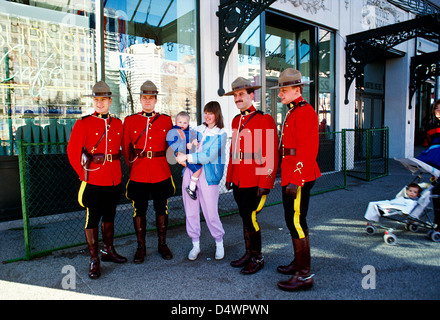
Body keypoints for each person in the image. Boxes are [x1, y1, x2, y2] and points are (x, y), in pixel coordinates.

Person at [67, 81, 127, 279]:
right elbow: (73, 151)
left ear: (110, 101)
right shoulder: (83, 123)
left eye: (103, 100)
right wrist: (83, 174)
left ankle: (107, 250)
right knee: (92, 218)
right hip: (93, 177)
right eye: (96, 100)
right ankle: (94, 259)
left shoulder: (118, 123)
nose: (99, 103)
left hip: (113, 177)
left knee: (110, 215)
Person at [271, 68, 321, 291]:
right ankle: (298, 263)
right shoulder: (294, 110)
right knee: (293, 221)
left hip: (298, 175)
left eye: (284, 89)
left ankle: (304, 275)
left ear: (297, 90)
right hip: (291, 172)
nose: (280, 94)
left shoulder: (305, 111)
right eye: (280, 90)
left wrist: (296, 179)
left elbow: (307, 148)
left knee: (297, 222)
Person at [224, 77, 279, 275]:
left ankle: (258, 257)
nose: (238, 98)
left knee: (252, 218)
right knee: (245, 217)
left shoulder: (265, 119)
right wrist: (229, 176)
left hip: (256, 180)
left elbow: (271, 154)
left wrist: (266, 182)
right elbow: (233, 151)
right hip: (239, 178)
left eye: (241, 94)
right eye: (236, 95)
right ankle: (248, 253)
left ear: (251, 95)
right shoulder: (236, 120)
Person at [122, 80, 175, 263]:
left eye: (150, 98)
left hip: (161, 170)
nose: (147, 101)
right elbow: (125, 148)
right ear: (140, 99)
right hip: (139, 172)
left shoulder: (166, 120)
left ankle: (162, 244)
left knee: (162, 207)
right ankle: (141, 247)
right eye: (144, 98)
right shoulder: (130, 120)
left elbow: (171, 145)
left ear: (155, 100)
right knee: (139, 209)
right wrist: (134, 165)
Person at [176, 101, 227, 261]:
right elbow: (183, 143)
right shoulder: (197, 129)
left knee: (210, 212)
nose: (207, 116)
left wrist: (187, 156)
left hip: (208, 175)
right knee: (190, 210)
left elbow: (208, 156)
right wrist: (179, 154)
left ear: (217, 114)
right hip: (190, 172)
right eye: (205, 112)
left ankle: (219, 243)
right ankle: (195, 245)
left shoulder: (221, 134)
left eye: (210, 113)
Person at [166, 111, 202, 200]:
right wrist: (184, 147)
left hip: (191, 155)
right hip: (183, 155)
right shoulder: (174, 132)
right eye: (180, 122)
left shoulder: (190, 131)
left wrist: (196, 142)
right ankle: (191, 188)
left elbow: (198, 138)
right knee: (198, 170)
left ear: (188, 123)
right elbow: (173, 144)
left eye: (185, 122)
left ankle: (192, 184)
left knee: (193, 170)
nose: (182, 124)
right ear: (175, 122)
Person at [421, 100, 440, 231]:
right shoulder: (431, 128)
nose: (438, 111)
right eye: (436, 108)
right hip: (436, 169)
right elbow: (428, 148)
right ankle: (438, 223)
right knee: (436, 195)